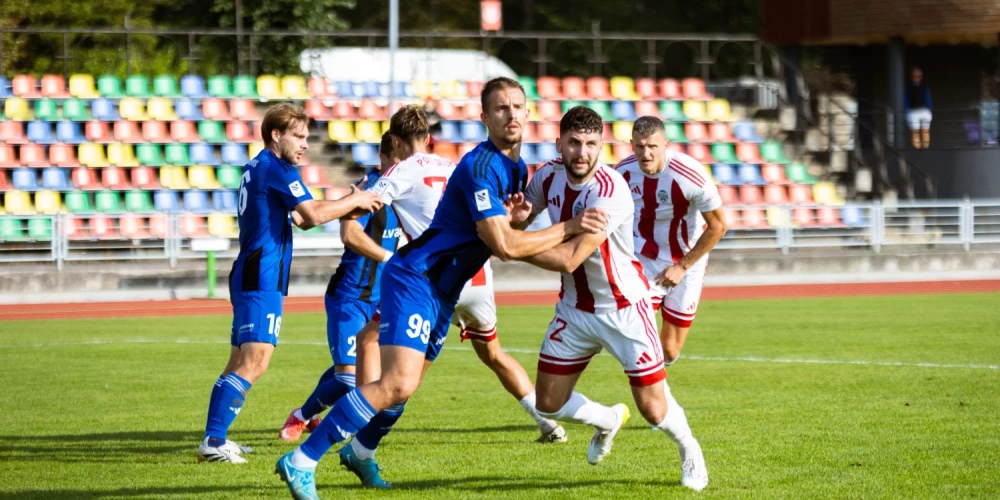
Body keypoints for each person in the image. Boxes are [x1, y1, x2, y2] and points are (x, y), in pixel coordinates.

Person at [275, 78, 606, 499]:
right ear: (484, 117)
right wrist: (569, 227)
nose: (511, 114)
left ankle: (360, 452)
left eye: (518, 106)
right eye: (500, 108)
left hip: (445, 290)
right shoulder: (480, 166)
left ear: (529, 112)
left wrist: (520, 219)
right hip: (418, 278)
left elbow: (502, 231)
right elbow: (502, 245)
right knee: (395, 382)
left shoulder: (517, 169)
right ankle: (302, 460)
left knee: (407, 385)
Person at [520, 106, 709, 491]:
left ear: (602, 146)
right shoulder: (546, 177)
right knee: (547, 403)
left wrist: (509, 247)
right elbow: (520, 219)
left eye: (591, 144)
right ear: (559, 143)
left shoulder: (611, 191)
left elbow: (570, 255)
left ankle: (690, 449)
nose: (582, 152)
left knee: (654, 411)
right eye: (574, 142)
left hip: (625, 309)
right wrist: (515, 221)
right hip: (574, 310)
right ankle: (606, 419)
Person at [197, 103, 383, 463]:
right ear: (276, 135)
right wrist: (355, 198)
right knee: (256, 360)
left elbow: (299, 217)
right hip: (261, 274)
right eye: (297, 136)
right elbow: (312, 215)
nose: (304, 145)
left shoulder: (258, 167)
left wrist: (348, 206)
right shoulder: (276, 167)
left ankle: (214, 438)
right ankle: (214, 441)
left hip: (251, 269)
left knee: (238, 361)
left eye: (307, 137)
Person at [277, 132, 402, 443]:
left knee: (367, 377)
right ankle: (301, 416)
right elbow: (349, 234)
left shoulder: (407, 193)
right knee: (349, 376)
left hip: (380, 299)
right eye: (395, 162)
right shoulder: (369, 188)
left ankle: (314, 415)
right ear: (383, 159)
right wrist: (391, 259)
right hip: (350, 295)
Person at [615, 116, 727, 364]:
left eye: (652, 146)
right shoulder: (621, 173)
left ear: (666, 144)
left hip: (687, 261)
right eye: (640, 146)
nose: (646, 153)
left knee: (669, 351)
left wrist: (682, 266)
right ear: (631, 144)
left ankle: (655, 391)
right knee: (634, 333)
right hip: (643, 259)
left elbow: (718, 226)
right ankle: (654, 398)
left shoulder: (689, 175)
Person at [905, 67, 933, 149]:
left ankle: (925, 147)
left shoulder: (924, 86)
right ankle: (917, 148)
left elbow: (928, 97)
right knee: (915, 131)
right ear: (912, 76)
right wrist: (907, 109)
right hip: (913, 111)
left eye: (919, 76)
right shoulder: (908, 87)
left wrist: (929, 108)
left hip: (924, 110)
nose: (917, 78)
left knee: (925, 130)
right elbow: (906, 99)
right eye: (915, 76)